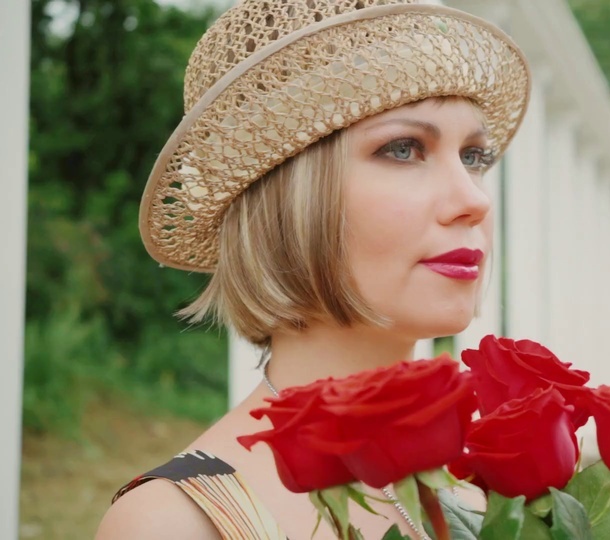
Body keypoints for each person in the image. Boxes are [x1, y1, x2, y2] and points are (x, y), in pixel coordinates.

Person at [96, 0, 530, 538]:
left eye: (474, 156)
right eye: (404, 148)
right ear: (291, 198)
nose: (474, 200)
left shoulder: (508, 491)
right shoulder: (177, 524)